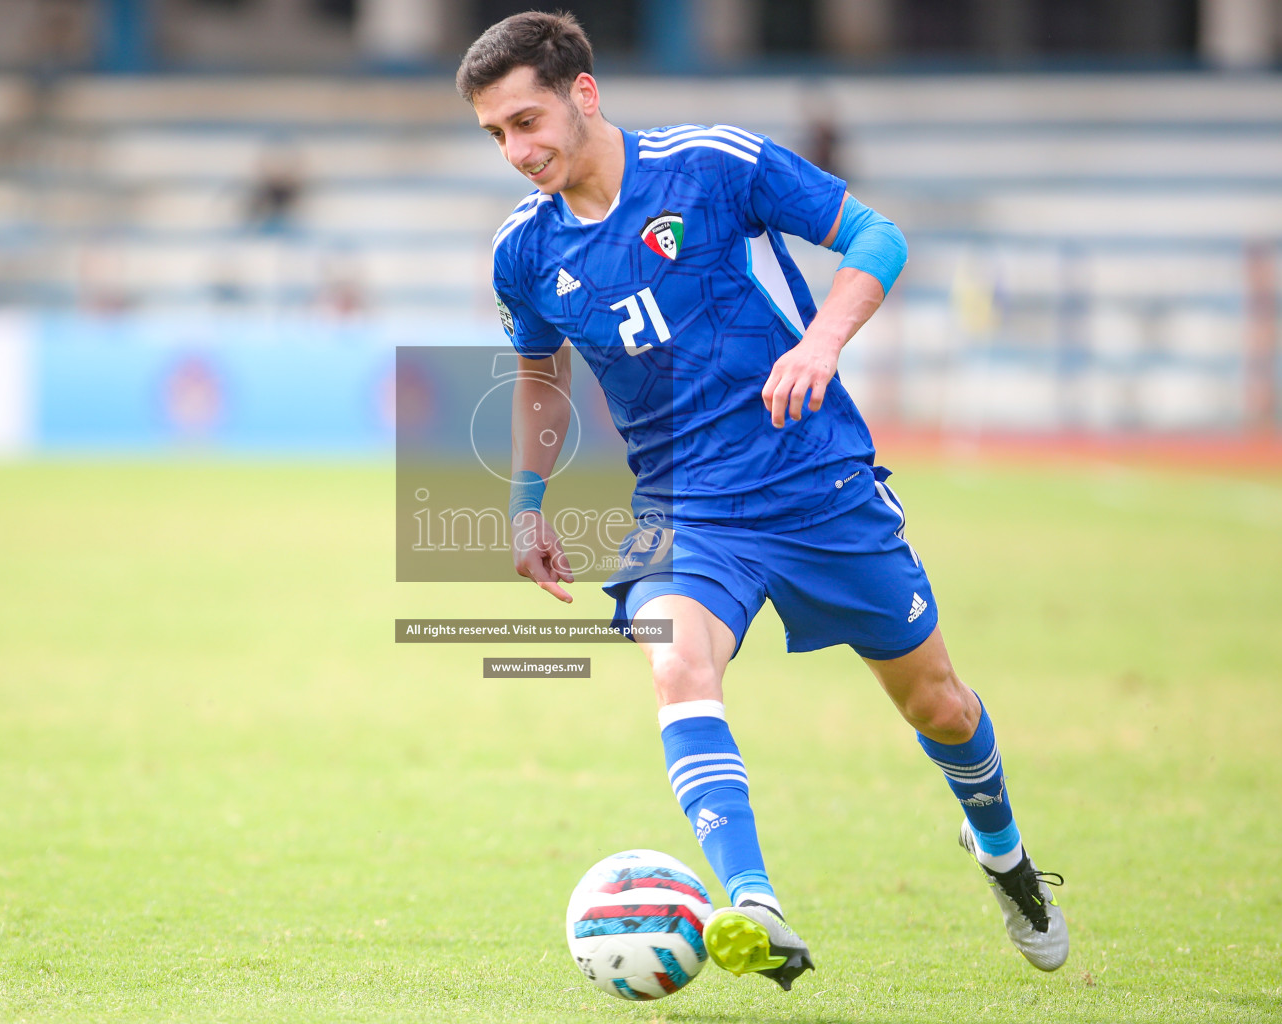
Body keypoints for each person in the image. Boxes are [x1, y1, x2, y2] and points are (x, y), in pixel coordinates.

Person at [456, 11, 1068, 994]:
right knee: (677, 668)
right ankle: (753, 900)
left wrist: (821, 342)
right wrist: (526, 501)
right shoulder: (523, 252)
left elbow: (876, 235)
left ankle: (1004, 853)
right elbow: (538, 368)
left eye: (527, 121)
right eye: (496, 135)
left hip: (811, 478)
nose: (517, 151)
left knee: (939, 704)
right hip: (683, 505)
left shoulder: (710, 166)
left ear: (585, 93)